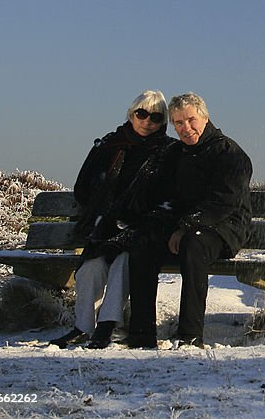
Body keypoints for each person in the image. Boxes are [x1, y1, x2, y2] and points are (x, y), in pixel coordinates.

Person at [122, 92, 252, 349]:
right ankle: (141, 334)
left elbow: (224, 202)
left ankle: (190, 335)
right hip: (182, 227)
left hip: (224, 228)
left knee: (194, 246)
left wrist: (186, 227)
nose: (186, 128)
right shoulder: (175, 154)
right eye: (178, 123)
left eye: (191, 120)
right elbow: (165, 197)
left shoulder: (230, 153)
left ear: (205, 118)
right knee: (143, 244)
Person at [49, 90, 174, 349]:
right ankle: (82, 326)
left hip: (143, 229)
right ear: (131, 113)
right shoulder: (109, 145)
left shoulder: (169, 151)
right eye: (142, 113)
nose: (147, 120)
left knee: (124, 262)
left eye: (156, 116)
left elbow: (171, 195)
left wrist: (140, 217)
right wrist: (104, 206)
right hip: (105, 226)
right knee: (90, 269)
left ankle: (106, 326)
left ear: (163, 121)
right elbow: (83, 187)